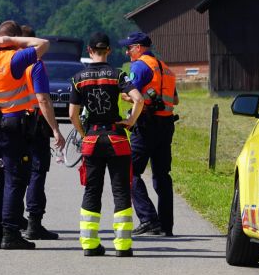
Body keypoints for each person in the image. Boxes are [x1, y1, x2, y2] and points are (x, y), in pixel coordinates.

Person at [0, 20, 64, 250]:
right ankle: (10, 232)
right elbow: (43, 44)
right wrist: (13, 41)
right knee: (14, 179)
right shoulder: (15, 59)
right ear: (10, 41)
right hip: (12, 128)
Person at [70, 32, 144, 257]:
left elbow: (72, 114)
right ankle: (122, 246)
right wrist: (131, 121)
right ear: (109, 51)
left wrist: (84, 133)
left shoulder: (78, 78)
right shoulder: (118, 75)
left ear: (89, 51)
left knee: (92, 190)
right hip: (117, 138)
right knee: (120, 190)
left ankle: (90, 245)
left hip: (92, 139)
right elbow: (139, 99)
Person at [119, 32, 179, 237]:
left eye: (129, 48)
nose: (127, 52)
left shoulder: (139, 66)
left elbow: (134, 95)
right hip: (166, 124)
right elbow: (175, 100)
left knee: (129, 171)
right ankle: (165, 225)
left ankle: (148, 219)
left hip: (146, 125)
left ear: (138, 47)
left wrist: (125, 96)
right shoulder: (166, 68)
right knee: (162, 175)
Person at [19, 25, 64, 240]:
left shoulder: (7, 62)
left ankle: (12, 219)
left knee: (15, 172)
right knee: (37, 171)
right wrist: (55, 129)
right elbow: (43, 99)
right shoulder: (34, 64)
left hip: (11, 123)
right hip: (34, 122)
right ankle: (34, 222)